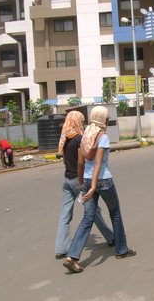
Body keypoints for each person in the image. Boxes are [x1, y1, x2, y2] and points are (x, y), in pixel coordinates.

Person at [63, 106, 135, 273]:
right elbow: (97, 163)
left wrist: (83, 183)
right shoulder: (102, 137)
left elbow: (81, 163)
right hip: (103, 180)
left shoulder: (85, 134)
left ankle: (72, 256)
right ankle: (121, 250)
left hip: (87, 180)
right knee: (115, 212)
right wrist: (95, 185)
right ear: (103, 120)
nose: (108, 120)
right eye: (107, 118)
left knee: (88, 217)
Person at [55, 111, 114, 260]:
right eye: (81, 121)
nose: (82, 123)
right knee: (92, 212)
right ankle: (111, 237)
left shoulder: (65, 139)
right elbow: (81, 162)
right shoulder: (79, 139)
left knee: (65, 214)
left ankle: (61, 248)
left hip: (66, 179)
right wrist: (81, 182)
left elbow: (64, 160)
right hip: (77, 179)